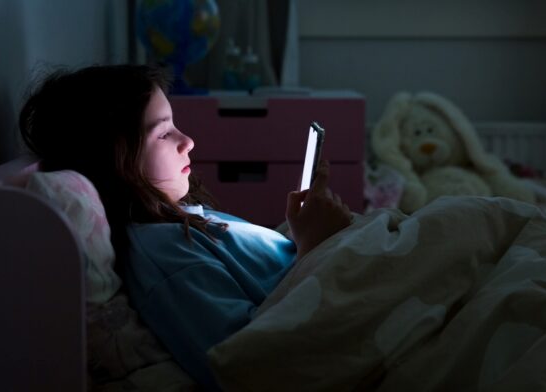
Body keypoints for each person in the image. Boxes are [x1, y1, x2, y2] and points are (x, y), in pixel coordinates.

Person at [18, 64, 352, 390]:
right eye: (163, 133)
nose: (188, 141)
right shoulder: (165, 252)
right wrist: (315, 249)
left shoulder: (178, 218)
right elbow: (251, 358)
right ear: (115, 162)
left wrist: (301, 233)